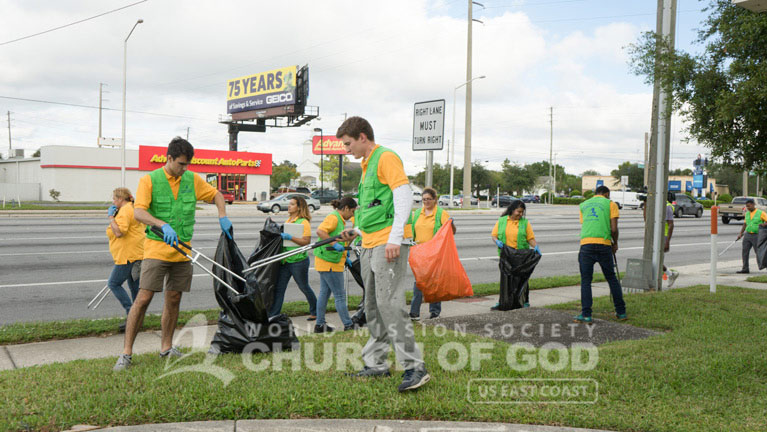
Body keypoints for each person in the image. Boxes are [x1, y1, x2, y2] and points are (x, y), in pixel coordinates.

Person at [113, 137, 233, 371]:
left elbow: (217, 195)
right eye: (180, 164)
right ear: (168, 158)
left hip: (182, 251)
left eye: (187, 164)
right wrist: (161, 225)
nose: (184, 168)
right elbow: (139, 213)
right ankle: (126, 353)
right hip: (156, 249)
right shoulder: (149, 180)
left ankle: (166, 347)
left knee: (174, 298)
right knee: (144, 298)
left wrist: (222, 214)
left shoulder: (191, 179)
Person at [337, 116, 430, 392]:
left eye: (348, 143)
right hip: (370, 243)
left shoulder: (385, 157)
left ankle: (415, 367)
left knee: (390, 304)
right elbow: (374, 208)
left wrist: (395, 237)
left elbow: (403, 197)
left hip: (388, 243)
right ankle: (376, 364)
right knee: (373, 306)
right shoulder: (367, 166)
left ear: (362, 137)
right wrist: (356, 230)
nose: (346, 149)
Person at [576, 185, 626, 323]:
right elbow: (614, 229)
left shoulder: (583, 205)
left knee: (586, 280)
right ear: (606, 194)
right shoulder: (611, 204)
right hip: (603, 244)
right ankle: (621, 311)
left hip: (586, 244)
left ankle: (586, 314)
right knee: (611, 278)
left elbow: (586, 223)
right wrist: (615, 243)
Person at [409, 187, 455, 320]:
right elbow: (411, 230)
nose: (426, 202)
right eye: (424, 199)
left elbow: (451, 232)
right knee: (419, 282)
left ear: (435, 200)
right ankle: (414, 312)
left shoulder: (441, 214)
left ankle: (435, 311)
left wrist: (452, 224)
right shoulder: (417, 213)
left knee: (434, 282)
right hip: (419, 253)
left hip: (435, 253)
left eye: (429, 199)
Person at [269, 196, 318, 320]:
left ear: (299, 207)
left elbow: (306, 241)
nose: (289, 206)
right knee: (279, 289)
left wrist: (290, 237)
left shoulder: (303, 222)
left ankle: (315, 311)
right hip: (285, 260)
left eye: (292, 204)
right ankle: (273, 315)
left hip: (298, 261)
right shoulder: (289, 220)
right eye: (289, 204)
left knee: (303, 287)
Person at [313, 197, 358, 333]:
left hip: (328, 261)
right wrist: (335, 244)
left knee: (324, 293)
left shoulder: (341, 220)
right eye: (352, 211)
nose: (352, 214)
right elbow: (320, 231)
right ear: (345, 208)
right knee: (339, 295)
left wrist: (344, 254)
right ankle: (348, 324)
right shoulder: (334, 217)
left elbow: (336, 236)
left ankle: (319, 325)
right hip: (330, 263)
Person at [105, 187, 145, 332]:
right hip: (137, 253)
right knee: (135, 287)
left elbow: (119, 232)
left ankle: (131, 315)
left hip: (128, 255)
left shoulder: (125, 211)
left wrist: (111, 218)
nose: (113, 201)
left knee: (114, 283)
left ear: (121, 199)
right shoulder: (132, 207)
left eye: (114, 199)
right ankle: (137, 320)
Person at [490, 199, 539, 310]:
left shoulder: (525, 223)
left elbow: (530, 238)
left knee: (522, 279)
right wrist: (497, 241)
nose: (520, 214)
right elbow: (494, 235)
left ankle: (524, 301)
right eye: (518, 211)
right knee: (506, 280)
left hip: (521, 255)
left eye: (522, 212)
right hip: (506, 256)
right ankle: (503, 301)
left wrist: (535, 246)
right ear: (512, 210)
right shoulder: (502, 221)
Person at [643, 192, 678, 286]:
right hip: (655, 235)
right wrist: (645, 204)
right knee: (653, 259)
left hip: (663, 236)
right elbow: (647, 220)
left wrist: (667, 242)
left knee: (656, 260)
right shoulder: (657, 205)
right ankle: (670, 274)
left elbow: (671, 225)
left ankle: (658, 281)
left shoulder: (667, 207)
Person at [736, 198, 767, 274]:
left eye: (749, 206)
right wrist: (740, 233)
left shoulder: (760, 213)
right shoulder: (747, 213)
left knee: (759, 252)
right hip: (748, 234)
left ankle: (764, 267)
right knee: (745, 252)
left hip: (757, 235)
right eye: (747, 206)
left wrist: (764, 224)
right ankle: (745, 268)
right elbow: (745, 224)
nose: (748, 208)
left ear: (753, 205)